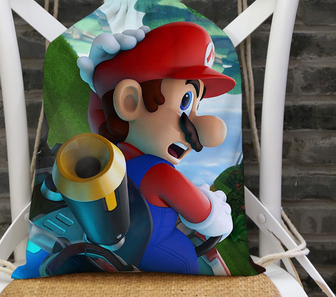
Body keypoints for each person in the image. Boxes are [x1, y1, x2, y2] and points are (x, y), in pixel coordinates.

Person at [77, 22, 235, 275]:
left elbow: (102, 119)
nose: (204, 133)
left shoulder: (113, 159)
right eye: (186, 102)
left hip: (120, 254)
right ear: (129, 102)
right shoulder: (159, 173)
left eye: (197, 107)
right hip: (169, 268)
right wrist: (218, 210)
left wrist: (101, 81)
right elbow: (210, 219)